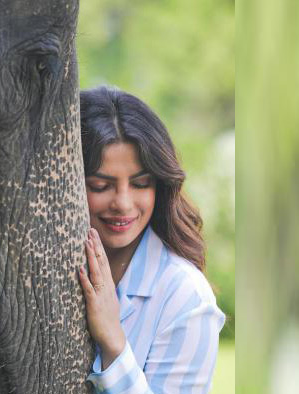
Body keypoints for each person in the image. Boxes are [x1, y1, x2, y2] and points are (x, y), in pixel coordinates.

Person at [76, 86, 225, 393]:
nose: (124, 203)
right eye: (101, 186)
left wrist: (114, 342)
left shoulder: (186, 297)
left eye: (141, 184)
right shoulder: (44, 272)